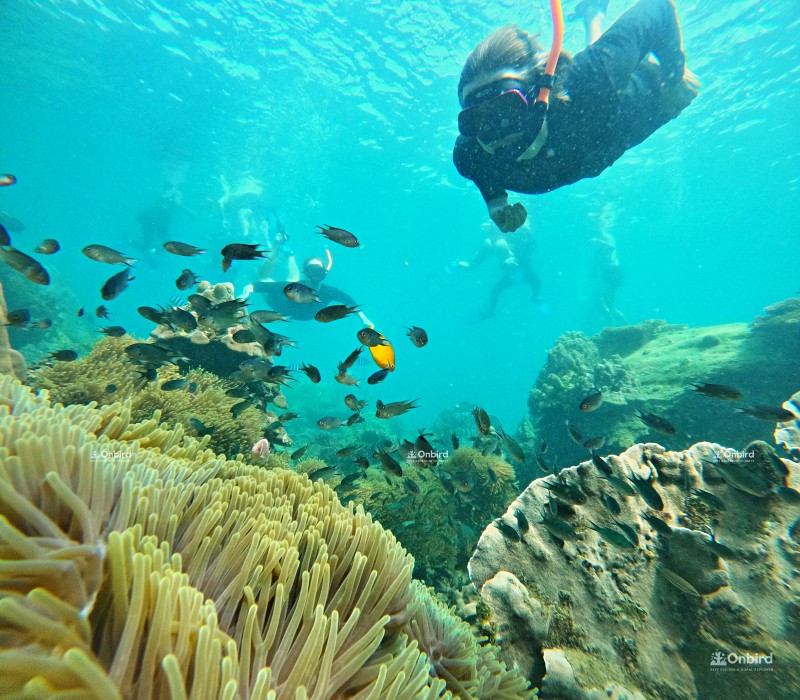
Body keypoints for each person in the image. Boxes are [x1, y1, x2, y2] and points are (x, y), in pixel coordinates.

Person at [453, 0, 698, 232]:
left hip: (643, 98)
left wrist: (673, 75)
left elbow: (659, 7)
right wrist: (496, 203)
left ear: (542, 89)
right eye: (479, 121)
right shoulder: (472, 154)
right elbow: (476, 167)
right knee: (602, 78)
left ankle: (595, 16)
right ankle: (593, 13)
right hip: (599, 119)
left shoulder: (592, 79)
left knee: (605, 76)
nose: (497, 136)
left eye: (507, 110)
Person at [248, 252, 374, 327]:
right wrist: (247, 290)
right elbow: (260, 286)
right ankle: (284, 253)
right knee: (263, 277)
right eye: (311, 271)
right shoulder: (294, 287)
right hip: (277, 302)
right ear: (306, 273)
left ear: (324, 273)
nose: (314, 276)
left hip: (292, 300)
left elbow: (349, 301)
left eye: (317, 271)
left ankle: (290, 255)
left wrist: (364, 318)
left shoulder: (328, 292)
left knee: (293, 279)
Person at [452, 221, 540, 319]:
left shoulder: (510, 240)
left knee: (497, 290)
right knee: (533, 283)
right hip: (520, 272)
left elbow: (474, 264)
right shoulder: (501, 242)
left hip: (519, 272)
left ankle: (535, 299)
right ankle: (535, 300)